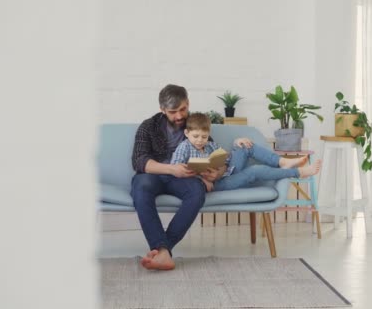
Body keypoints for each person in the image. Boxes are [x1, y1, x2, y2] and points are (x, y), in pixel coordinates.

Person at [131, 85, 224, 271]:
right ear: (162, 110)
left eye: (183, 109)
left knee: (197, 192)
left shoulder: (194, 124)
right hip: (155, 175)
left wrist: (217, 173)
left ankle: (163, 251)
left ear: (188, 103)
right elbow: (139, 161)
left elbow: (213, 156)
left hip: (185, 178)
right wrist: (171, 169)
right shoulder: (148, 126)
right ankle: (163, 250)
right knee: (140, 188)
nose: (180, 116)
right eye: (173, 112)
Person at [170, 113, 322, 192]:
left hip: (225, 174)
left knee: (245, 144)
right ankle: (298, 172)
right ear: (186, 133)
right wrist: (201, 180)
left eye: (204, 136)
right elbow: (175, 172)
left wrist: (237, 143)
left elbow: (226, 159)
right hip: (215, 185)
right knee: (255, 171)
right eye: (195, 136)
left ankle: (283, 161)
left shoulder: (210, 145)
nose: (199, 140)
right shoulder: (184, 148)